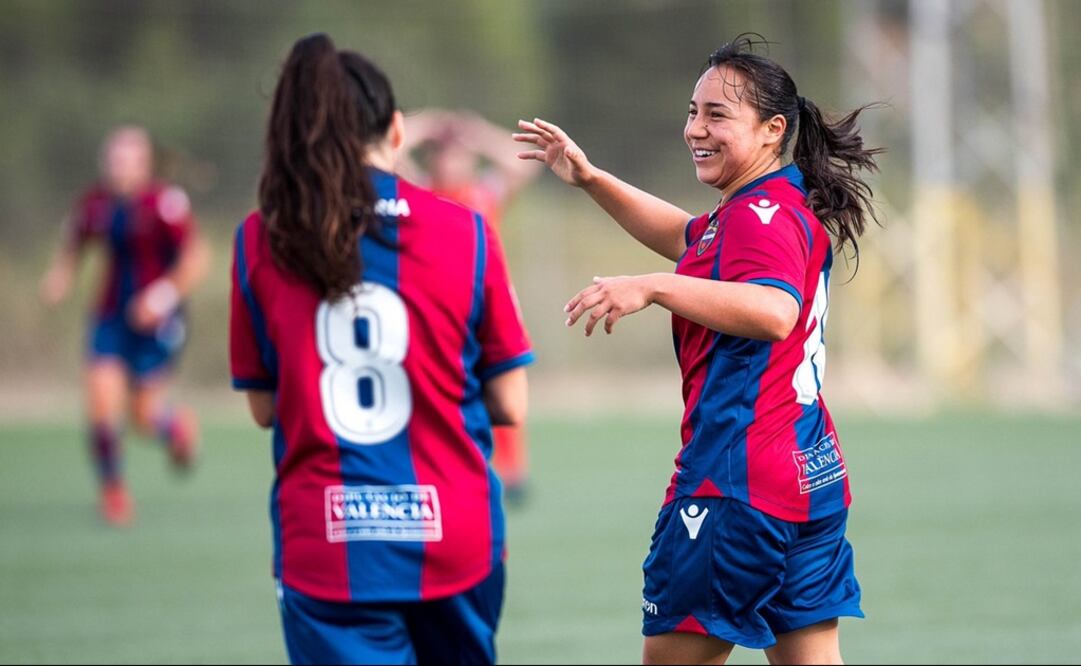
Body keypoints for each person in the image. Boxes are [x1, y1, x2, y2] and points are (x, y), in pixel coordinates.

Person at [514, 34, 881, 665]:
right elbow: (686, 236)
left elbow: (774, 312)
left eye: (717, 115)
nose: (696, 129)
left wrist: (654, 286)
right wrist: (592, 179)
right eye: (692, 111)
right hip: (808, 475)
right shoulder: (762, 205)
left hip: (736, 484)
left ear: (772, 130)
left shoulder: (757, 216)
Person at [229, 33, 533, 666]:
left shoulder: (261, 237)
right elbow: (510, 400)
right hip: (455, 531)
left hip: (328, 538)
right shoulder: (467, 229)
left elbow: (263, 408)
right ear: (395, 131)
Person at [39, 125, 210, 527]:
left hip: (158, 324)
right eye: (112, 158)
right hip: (110, 316)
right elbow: (74, 238)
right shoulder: (95, 203)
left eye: (126, 159)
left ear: (145, 163)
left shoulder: (164, 203)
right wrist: (61, 274)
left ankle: (173, 426)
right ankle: (113, 491)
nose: (117, 167)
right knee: (101, 402)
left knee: (142, 416)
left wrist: (161, 296)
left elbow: (196, 258)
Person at [399, 108, 541, 505]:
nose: (452, 160)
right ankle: (445, 465)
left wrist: (476, 133)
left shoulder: (482, 193)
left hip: (485, 307)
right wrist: (425, 126)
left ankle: (512, 474)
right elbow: (385, 155)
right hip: (438, 311)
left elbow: (523, 167)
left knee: (503, 384)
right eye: (445, 153)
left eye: (459, 154)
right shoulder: (423, 192)